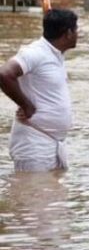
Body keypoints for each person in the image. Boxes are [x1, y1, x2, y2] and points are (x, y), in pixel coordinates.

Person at [0, 9, 78, 171]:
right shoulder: (35, 52)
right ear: (68, 33)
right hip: (34, 142)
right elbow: (4, 74)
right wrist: (26, 105)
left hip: (53, 142)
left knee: (53, 194)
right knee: (33, 194)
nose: (78, 34)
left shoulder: (55, 54)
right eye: (76, 29)